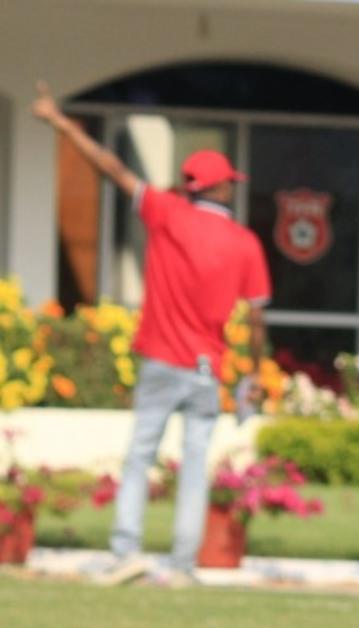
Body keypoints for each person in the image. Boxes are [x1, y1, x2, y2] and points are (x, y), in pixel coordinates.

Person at [31, 80, 269, 586]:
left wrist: (61, 123)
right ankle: (183, 566)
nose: (234, 189)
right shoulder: (245, 244)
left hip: (161, 358)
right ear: (221, 188)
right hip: (207, 367)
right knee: (196, 462)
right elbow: (255, 319)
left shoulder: (168, 214)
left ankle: (126, 553)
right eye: (231, 183)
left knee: (141, 456)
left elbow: (111, 168)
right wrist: (250, 371)